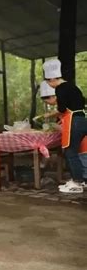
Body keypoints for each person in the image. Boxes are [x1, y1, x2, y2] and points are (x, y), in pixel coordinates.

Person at [42, 59, 86, 193]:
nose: (51, 85)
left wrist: (50, 114)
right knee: (75, 151)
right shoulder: (72, 86)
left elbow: (61, 109)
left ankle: (77, 183)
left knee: (70, 151)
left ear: (51, 80)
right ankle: (80, 181)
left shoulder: (60, 89)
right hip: (82, 119)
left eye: (49, 82)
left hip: (73, 121)